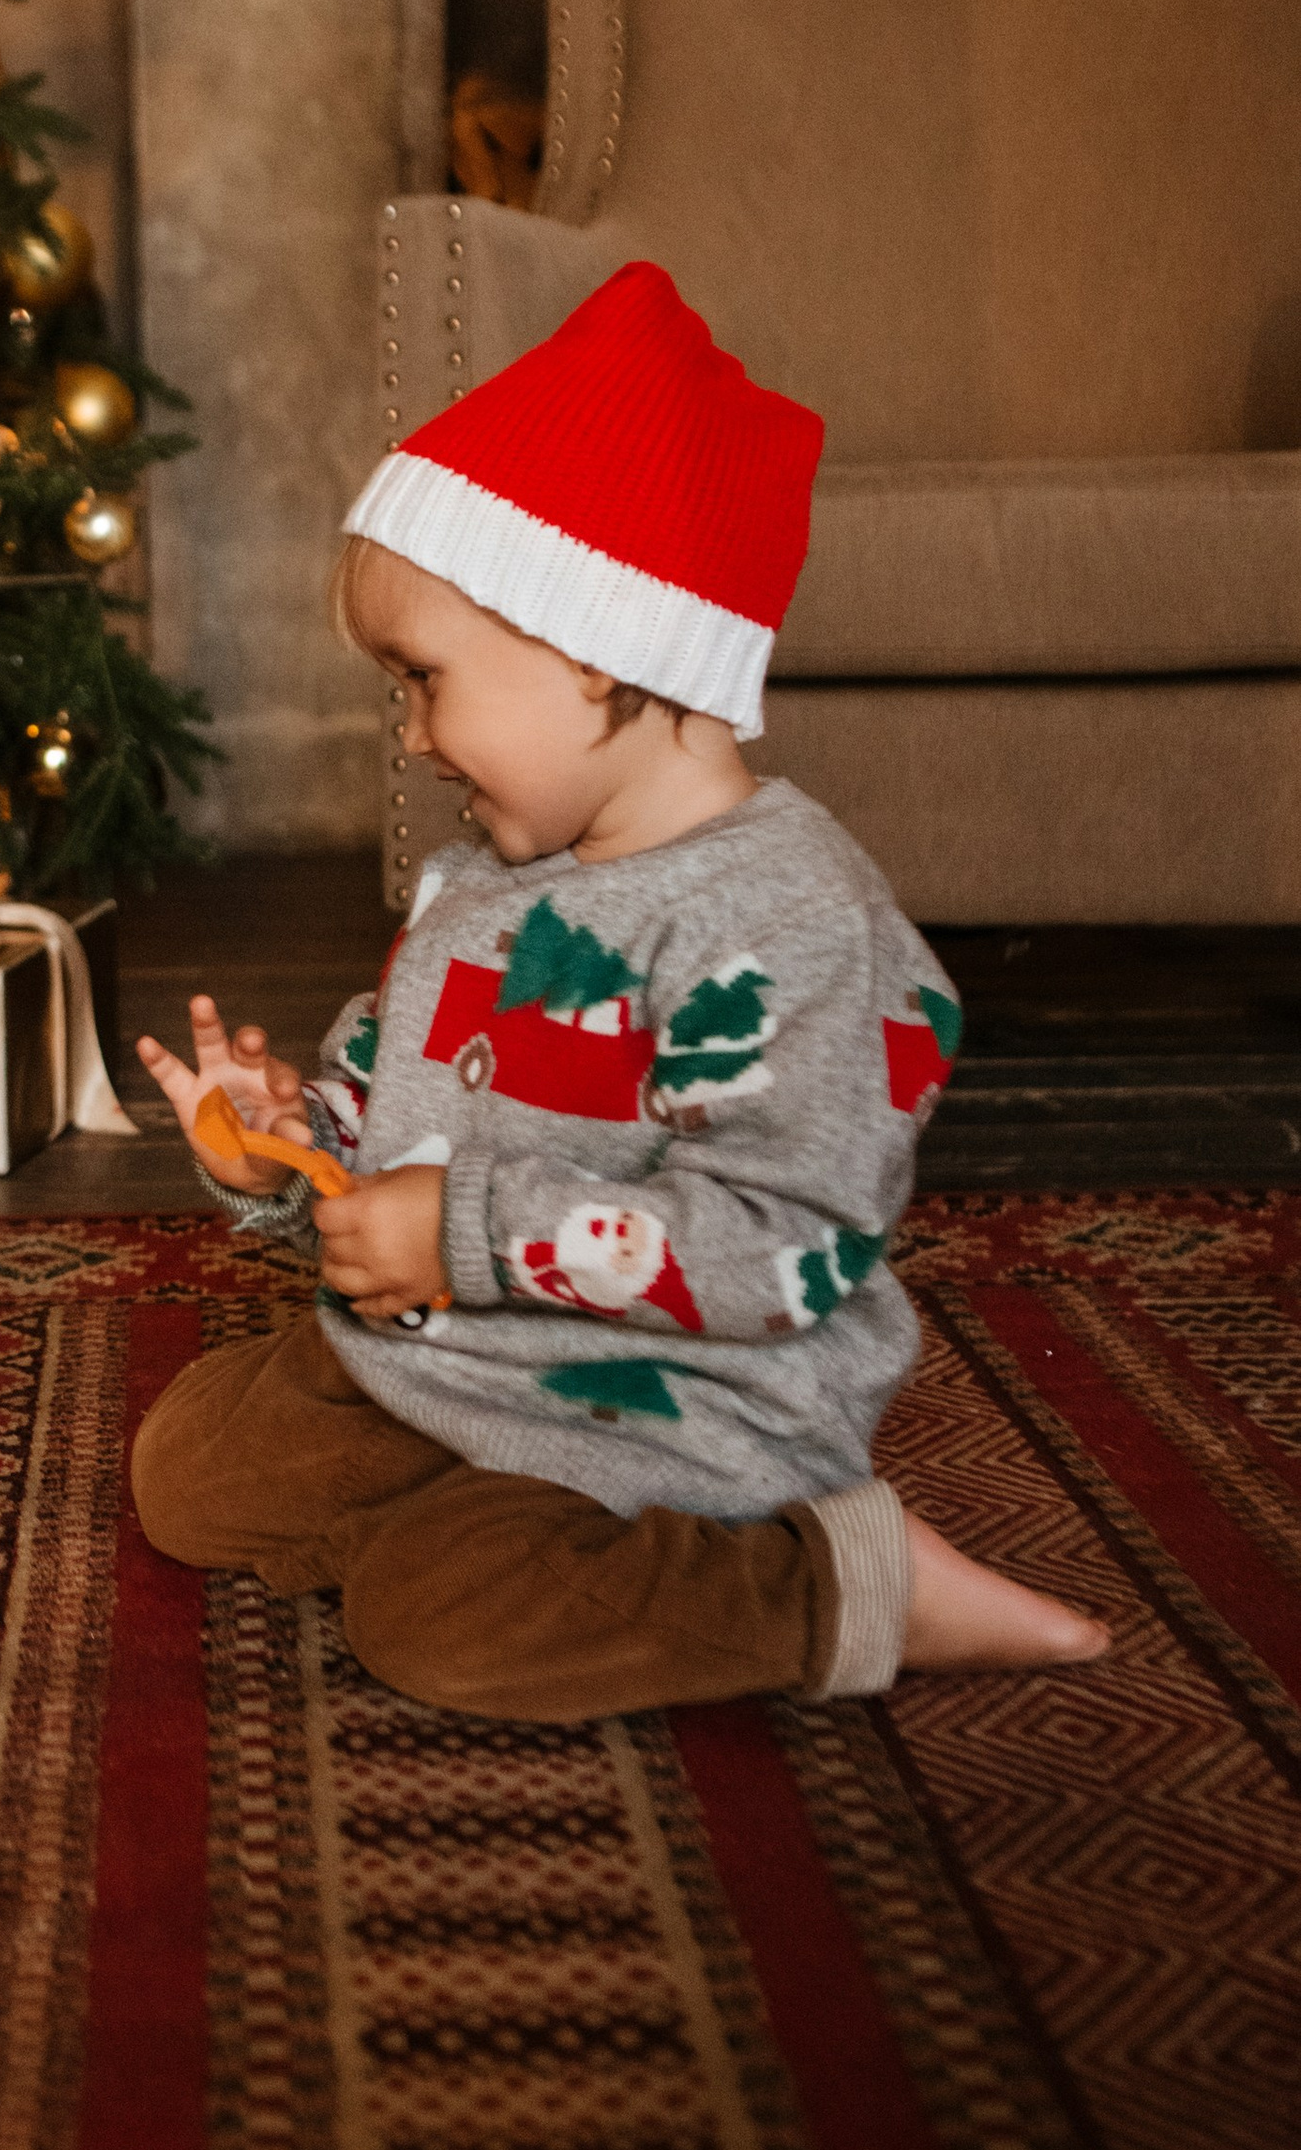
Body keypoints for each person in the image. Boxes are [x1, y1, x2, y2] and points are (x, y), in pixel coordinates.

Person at [132, 262, 1109, 1724]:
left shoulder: (792, 922)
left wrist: (463, 1236)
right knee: (191, 1474)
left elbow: (784, 1250)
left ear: (593, 652)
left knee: (441, 1626)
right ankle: (455, 1510)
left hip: (666, 1415)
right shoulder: (487, 880)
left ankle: (839, 1579)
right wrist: (290, 1138)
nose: (412, 737)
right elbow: (396, 1094)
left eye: (425, 680)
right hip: (458, 1357)